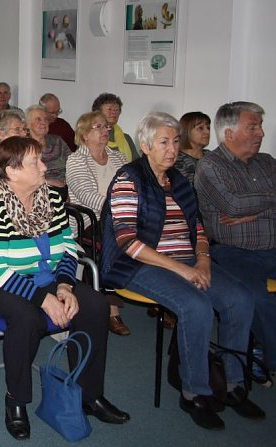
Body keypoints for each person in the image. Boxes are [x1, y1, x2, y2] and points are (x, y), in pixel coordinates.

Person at [102, 111, 260, 430]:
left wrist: (202, 260)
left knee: (240, 299)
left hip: (187, 260)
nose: (172, 149)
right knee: (196, 306)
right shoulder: (128, 178)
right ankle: (194, 392)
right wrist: (182, 270)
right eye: (163, 142)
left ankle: (233, 383)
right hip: (138, 263)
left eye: (175, 141)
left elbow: (198, 228)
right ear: (145, 146)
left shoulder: (180, 182)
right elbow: (127, 241)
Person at [0, 136, 129, 440]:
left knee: (95, 304)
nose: (45, 166)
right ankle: (16, 400)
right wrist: (44, 298)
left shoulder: (51, 198)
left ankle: (89, 394)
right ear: (13, 171)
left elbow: (68, 248)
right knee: (26, 318)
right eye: (35, 162)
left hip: (46, 277)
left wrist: (65, 286)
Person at [196, 101, 276, 383]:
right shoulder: (210, 166)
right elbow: (233, 206)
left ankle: (260, 349)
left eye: (260, 126)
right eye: (252, 127)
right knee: (256, 298)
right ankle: (266, 356)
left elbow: (242, 207)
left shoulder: (267, 163)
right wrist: (265, 203)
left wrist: (254, 210)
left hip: (272, 247)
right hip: (233, 251)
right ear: (229, 133)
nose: (261, 133)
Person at [65, 111, 130, 335]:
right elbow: (85, 195)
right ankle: (112, 308)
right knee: (116, 236)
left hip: (119, 216)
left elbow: (131, 187)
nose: (106, 130)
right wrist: (119, 210)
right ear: (84, 135)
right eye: (99, 127)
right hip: (90, 220)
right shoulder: (76, 159)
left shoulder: (118, 157)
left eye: (106, 127)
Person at [25, 105, 71, 194]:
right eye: (38, 119)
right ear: (28, 124)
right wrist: (48, 182)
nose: (43, 122)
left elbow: (73, 164)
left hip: (66, 188)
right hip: (39, 190)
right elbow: (24, 176)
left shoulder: (58, 141)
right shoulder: (24, 146)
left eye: (45, 119)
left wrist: (69, 186)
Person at [92, 93, 138, 162]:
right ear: (98, 112)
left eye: (117, 110)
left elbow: (137, 165)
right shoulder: (89, 137)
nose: (114, 112)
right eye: (109, 109)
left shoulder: (126, 138)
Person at [175, 111, 211, 184]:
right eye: (200, 128)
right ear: (186, 131)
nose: (207, 132)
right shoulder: (177, 160)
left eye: (208, 127)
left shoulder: (211, 156)